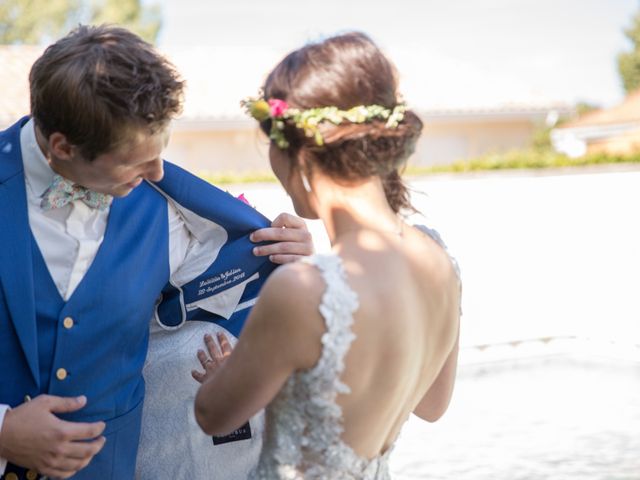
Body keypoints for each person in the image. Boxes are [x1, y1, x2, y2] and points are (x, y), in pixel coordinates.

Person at [0, 25, 312, 480]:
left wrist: (289, 257)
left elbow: (239, 283)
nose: (158, 171)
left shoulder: (175, 213)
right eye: (135, 160)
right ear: (62, 147)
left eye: (160, 149)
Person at [193, 32, 462, 479]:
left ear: (296, 153)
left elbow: (212, 415)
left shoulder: (302, 291)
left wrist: (231, 372)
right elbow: (432, 407)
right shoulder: (439, 262)